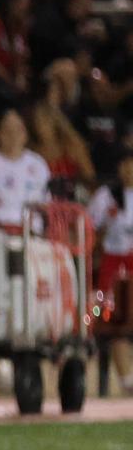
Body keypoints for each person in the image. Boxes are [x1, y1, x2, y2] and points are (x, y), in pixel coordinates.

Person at [87, 155, 133, 394]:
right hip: (114, 266)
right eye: (125, 164)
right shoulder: (106, 196)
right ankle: (127, 380)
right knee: (115, 322)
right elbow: (88, 228)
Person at [0, 108, 52, 232]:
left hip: (31, 232)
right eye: (8, 130)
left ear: (26, 133)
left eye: (18, 129)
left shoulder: (38, 164)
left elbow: (47, 204)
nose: (13, 134)